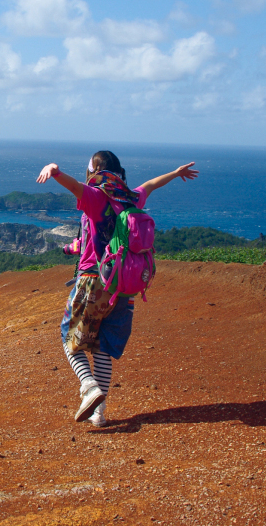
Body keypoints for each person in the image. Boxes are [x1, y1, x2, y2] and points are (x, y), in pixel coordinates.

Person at [37, 151, 197, 427]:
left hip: (93, 281)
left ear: (95, 171)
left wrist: (55, 170)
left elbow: (76, 188)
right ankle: (99, 414)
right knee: (103, 347)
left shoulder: (95, 197)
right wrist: (175, 172)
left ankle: (88, 387)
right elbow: (151, 184)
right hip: (123, 287)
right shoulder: (131, 197)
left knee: (69, 339)